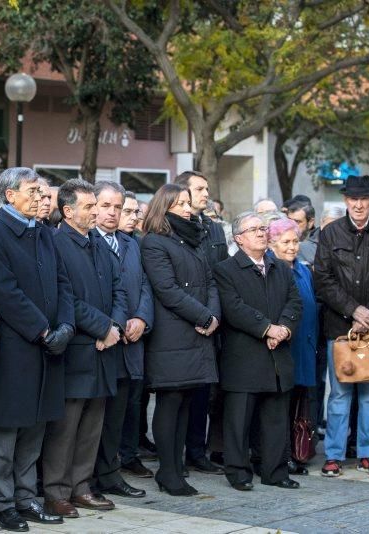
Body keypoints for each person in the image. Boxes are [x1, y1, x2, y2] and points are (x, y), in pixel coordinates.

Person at [0, 167, 73, 532]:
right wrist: (42, 329)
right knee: (7, 429)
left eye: (41, 192)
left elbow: (63, 283)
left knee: (36, 427)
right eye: (32, 191)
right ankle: (4, 504)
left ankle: (25, 496)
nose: (41, 198)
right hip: (17, 347)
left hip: (51, 345)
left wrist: (65, 326)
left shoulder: (45, 233)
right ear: (10, 194)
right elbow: (5, 292)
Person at [43, 179, 126, 517]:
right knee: (66, 426)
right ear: (67, 211)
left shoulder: (98, 243)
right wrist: (103, 326)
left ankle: (82, 486)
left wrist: (115, 327)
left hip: (105, 349)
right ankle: (56, 491)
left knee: (93, 424)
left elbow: (120, 288)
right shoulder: (55, 243)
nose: (96, 212)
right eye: (90, 207)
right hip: (78, 348)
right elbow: (67, 299)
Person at [314, 175, 369, 478]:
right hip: (339, 327)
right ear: (346, 201)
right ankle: (334, 455)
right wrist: (354, 310)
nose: (360, 204)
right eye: (354, 199)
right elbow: (322, 280)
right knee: (339, 395)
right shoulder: (330, 233)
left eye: (364, 198)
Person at [140, 183, 220, 496]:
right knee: (170, 402)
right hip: (172, 334)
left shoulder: (193, 240)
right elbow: (168, 290)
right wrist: (204, 316)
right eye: (182, 204)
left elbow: (211, 281)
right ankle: (168, 471)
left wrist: (213, 316)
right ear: (166, 207)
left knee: (186, 402)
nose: (189, 209)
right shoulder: (155, 243)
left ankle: (177, 469)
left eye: (189, 203)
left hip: (198, 333)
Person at [214, 211, 301, 491]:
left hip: (277, 356)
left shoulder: (280, 268)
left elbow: (294, 302)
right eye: (253, 229)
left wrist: (284, 329)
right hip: (244, 358)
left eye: (263, 228)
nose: (261, 233)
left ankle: (275, 472)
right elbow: (233, 308)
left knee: (276, 421)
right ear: (239, 239)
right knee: (239, 422)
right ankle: (239, 473)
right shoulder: (225, 270)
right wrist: (267, 329)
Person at [92, 183, 154, 492]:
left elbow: (144, 285)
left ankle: (111, 473)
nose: (113, 213)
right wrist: (114, 324)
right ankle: (92, 476)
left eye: (118, 207)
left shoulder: (131, 244)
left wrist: (142, 318)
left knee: (122, 413)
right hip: (102, 341)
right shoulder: (87, 241)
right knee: (97, 418)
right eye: (107, 206)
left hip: (132, 342)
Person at [173, 171, 228, 475]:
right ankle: (175, 454)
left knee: (204, 392)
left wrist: (214, 315)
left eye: (207, 188)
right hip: (183, 321)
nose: (206, 194)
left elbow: (219, 276)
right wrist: (199, 314)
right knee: (179, 395)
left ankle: (198, 450)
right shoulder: (169, 227)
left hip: (212, 319)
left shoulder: (215, 229)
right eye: (199, 189)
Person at [267, 218, 318, 476]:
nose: (292, 247)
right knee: (280, 406)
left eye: (295, 241)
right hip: (282, 346)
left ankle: (296, 452)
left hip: (304, 347)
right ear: (272, 243)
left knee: (299, 404)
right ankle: (280, 456)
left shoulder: (303, 270)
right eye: (285, 242)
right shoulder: (271, 268)